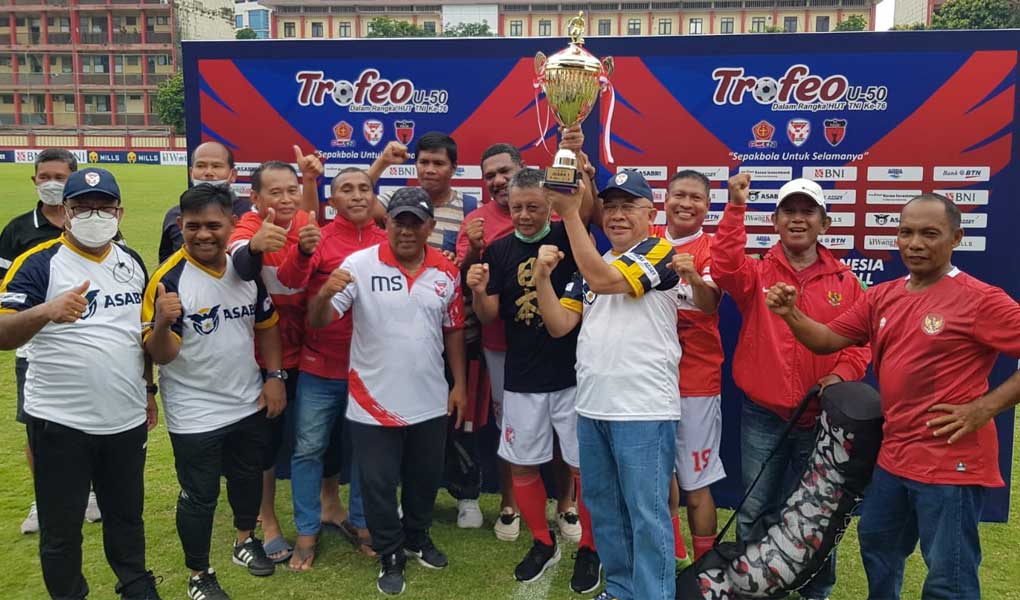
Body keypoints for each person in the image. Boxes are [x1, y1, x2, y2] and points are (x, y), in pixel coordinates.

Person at [764, 193, 1020, 600]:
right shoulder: (882, 295)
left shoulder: (980, 299)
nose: (914, 243)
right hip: (894, 456)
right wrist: (791, 313)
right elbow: (827, 339)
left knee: (948, 576)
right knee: (878, 549)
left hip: (950, 463)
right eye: (906, 233)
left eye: (929, 234)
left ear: (956, 238)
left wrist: (983, 408)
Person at [0, 167, 161, 599]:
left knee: (126, 517)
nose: (94, 215)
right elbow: (2, 332)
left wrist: (148, 390)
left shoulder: (131, 261)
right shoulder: (39, 263)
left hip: (124, 419)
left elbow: (138, 334)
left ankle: (136, 586)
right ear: (66, 213)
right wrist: (46, 311)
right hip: (60, 422)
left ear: (119, 212)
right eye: (83, 207)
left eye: (103, 207)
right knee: (61, 528)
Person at [711, 173, 870, 600]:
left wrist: (840, 376)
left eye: (807, 212)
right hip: (763, 415)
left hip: (823, 421)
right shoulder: (756, 271)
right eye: (789, 211)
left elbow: (861, 346)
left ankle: (816, 592)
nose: (798, 219)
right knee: (753, 508)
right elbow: (723, 267)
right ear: (776, 221)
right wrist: (736, 207)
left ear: (824, 223)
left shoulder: (846, 282)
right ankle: (750, 588)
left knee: (818, 513)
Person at [308, 187, 467, 596]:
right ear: (388, 222)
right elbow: (320, 321)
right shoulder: (358, 265)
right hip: (372, 400)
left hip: (430, 397)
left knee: (423, 479)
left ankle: (416, 537)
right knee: (378, 485)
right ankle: (390, 553)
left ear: (430, 227)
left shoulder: (446, 272)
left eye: (416, 223)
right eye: (400, 221)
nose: (407, 231)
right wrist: (323, 295)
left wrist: (460, 385)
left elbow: (453, 330)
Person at [536, 169, 681, 600]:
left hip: (643, 408)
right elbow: (560, 324)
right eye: (611, 206)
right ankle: (620, 589)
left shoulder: (660, 251)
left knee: (647, 513)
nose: (617, 215)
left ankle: (654, 595)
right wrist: (541, 277)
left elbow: (604, 281)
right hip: (593, 406)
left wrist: (569, 214)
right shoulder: (593, 262)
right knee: (604, 509)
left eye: (628, 206)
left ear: (650, 214)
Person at [143, 184, 287, 600]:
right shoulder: (168, 279)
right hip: (194, 410)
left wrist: (275, 376)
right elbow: (161, 354)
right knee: (200, 495)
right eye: (193, 226)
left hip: (246, 399)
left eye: (212, 225)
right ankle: (199, 574)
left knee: (246, 477)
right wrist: (163, 323)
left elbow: (267, 326)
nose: (203, 234)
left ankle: (244, 540)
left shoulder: (245, 272)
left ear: (231, 225)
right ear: (180, 226)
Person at [467, 167, 601, 593]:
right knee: (523, 462)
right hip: (522, 375)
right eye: (517, 207)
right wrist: (478, 291)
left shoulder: (569, 237)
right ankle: (543, 542)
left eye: (533, 207)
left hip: (573, 373)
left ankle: (590, 548)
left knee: (584, 466)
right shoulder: (499, 250)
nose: (524, 215)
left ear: (550, 206)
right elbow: (489, 315)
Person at [370, 132, 486, 528]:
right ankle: (409, 495)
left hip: (458, 335)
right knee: (407, 420)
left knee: (460, 418)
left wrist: (460, 259)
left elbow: (472, 269)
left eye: (439, 163)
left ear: (454, 168)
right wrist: (382, 163)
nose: (430, 169)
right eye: (424, 162)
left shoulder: (470, 208)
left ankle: (467, 495)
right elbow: (359, 200)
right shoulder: (395, 200)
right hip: (405, 339)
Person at [277, 167, 387, 570]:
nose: (357, 195)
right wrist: (303, 252)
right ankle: (307, 531)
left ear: (374, 197)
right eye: (347, 189)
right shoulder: (317, 238)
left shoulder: (387, 241)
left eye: (364, 189)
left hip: (371, 370)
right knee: (308, 449)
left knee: (366, 451)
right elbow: (289, 279)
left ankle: (362, 521)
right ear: (332, 200)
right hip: (320, 367)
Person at [0, 149, 102, 535]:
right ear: (34, 180)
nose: (51, 183)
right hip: (34, 346)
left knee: (89, 421)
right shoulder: (17, 230)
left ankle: (89, 493)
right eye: (44, 177)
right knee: (38, 427)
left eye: (59, 176)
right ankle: (43, 499)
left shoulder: (96, 224)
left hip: (87, 343)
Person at [227, 157, 323, 563]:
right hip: (259, 359)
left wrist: (304, 249)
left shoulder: (305, 222)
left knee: (315, 439)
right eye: (275, 191)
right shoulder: (249, 226)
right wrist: (255, 246)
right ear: (255, 196)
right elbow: (241, 264)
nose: (285, 199)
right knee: (263, 446)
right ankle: (266, 520)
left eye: (291, 190)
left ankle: (329, 505)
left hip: (307, 355)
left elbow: (298, 280)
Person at [653, 170, 725, 565]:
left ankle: (705, 571)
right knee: (657, 477)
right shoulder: (646, 240)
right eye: (679, 195)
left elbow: (710, 304)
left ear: (707, 206)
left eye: (696, 197)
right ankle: (669, 552)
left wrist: (693, 276)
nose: (686, 203)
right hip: (649, 379)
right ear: (665, 200)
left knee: (697, 484)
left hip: (697, 380)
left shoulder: (712, 248)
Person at [157, 141, 252, 263]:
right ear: (191, 173)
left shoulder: (250, 214)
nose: (208, 173)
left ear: (233, 174)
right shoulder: (174, 215)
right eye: (201, 166)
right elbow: (166, 262)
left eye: (216, 166)